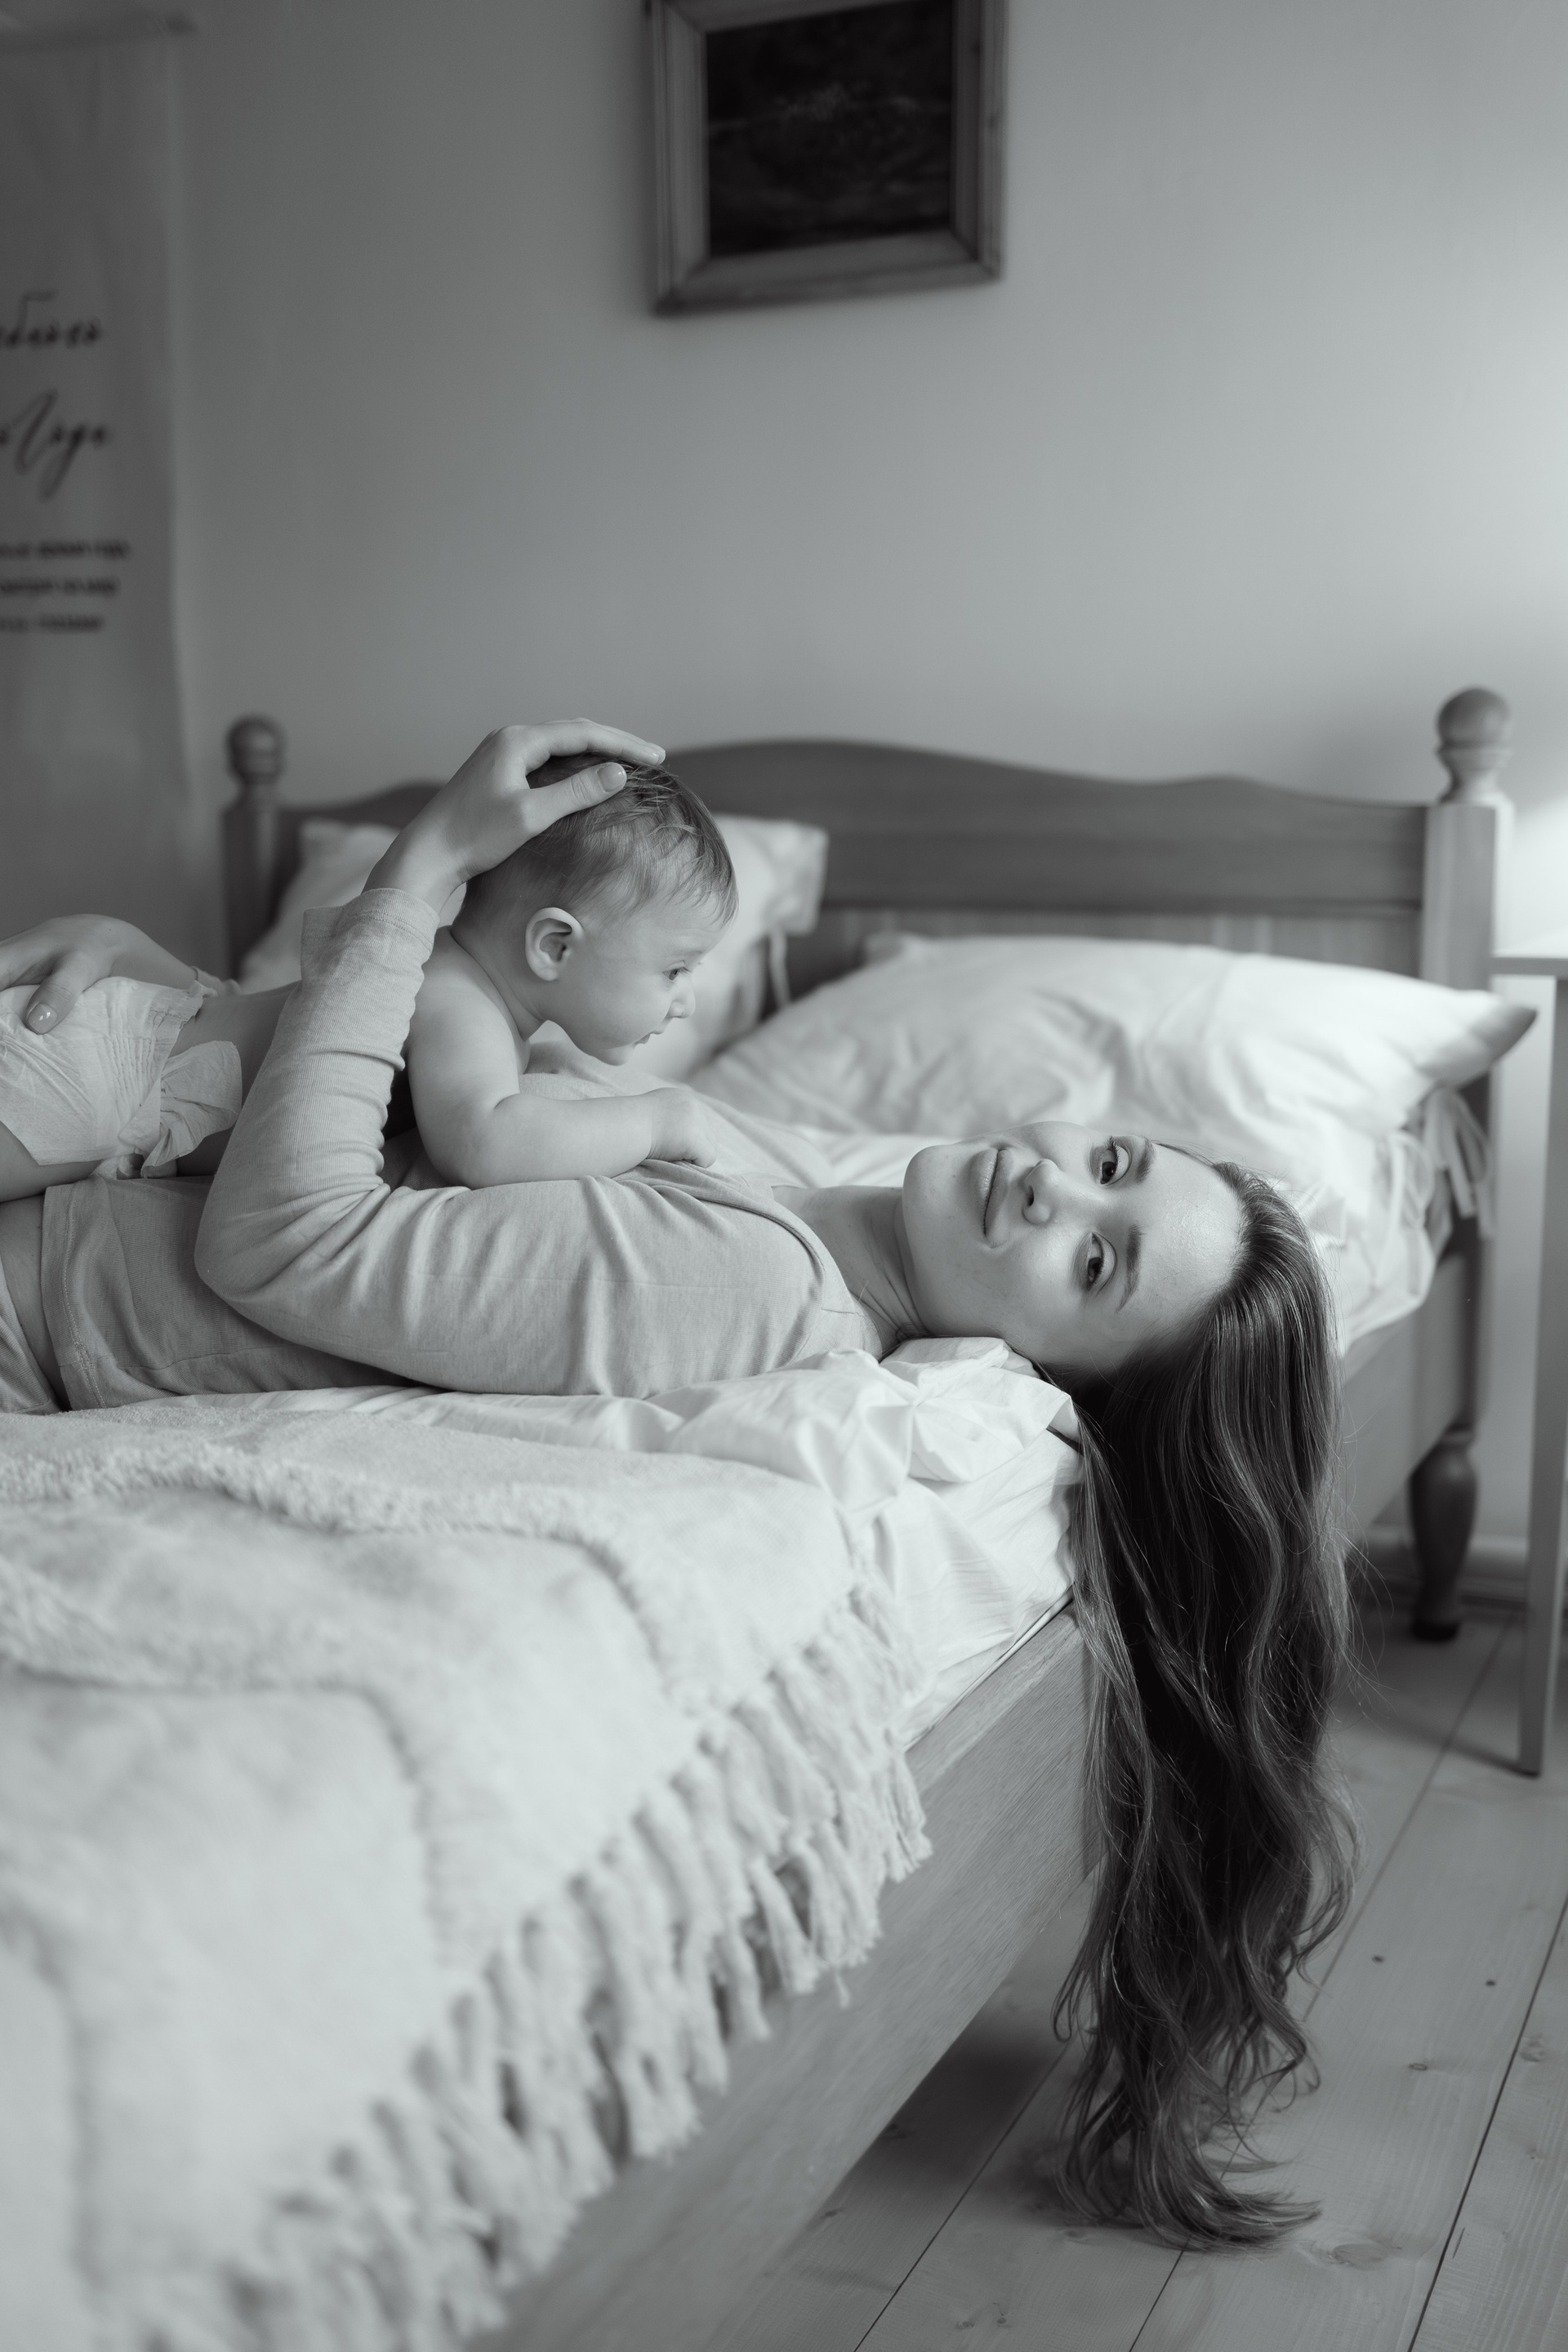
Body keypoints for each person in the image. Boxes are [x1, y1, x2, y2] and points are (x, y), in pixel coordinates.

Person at [0, 716, 1354, 2249]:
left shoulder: (748, 1288)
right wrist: (160, 999)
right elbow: (408, 1072)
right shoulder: (803, 1196)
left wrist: (420, 872)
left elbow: (287, 1240)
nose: (1054, 1185)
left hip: (34, 1296)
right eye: (1112, 1163)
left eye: (1094, 1265)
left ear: (1061, 1381)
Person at [0, 759, 733, 1199]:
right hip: (94, 1067)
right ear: (553, 946)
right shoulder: (457, 1000)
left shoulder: (463, 991)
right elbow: (483, 1141)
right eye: (675, 968)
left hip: (129, 1055)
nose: (686, 1000)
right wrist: (657, 1121)